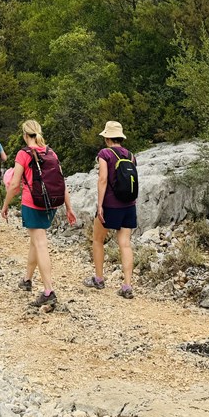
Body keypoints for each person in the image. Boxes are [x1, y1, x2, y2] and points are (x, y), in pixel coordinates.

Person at [1, 120, 77, 307]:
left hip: (32, 204)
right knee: (35, 242)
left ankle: (48, 291)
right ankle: (27, 279)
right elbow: (62, 181)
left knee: (40, 243)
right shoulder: (51, 152)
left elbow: (14, 184)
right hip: (51, 205)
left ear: (25, 135)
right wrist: (68, 208)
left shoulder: (24, 154)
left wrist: (5, 205)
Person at [84, 121, 137, 299]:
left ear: (107, 137)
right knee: (125, 244)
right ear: (121, 137)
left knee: (98, 240)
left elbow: (103, 179)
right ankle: (127, 286)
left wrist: (100, 205)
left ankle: (99, 279)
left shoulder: (104, 154)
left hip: (110, 205)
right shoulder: (131, 155)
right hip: (129, 205)